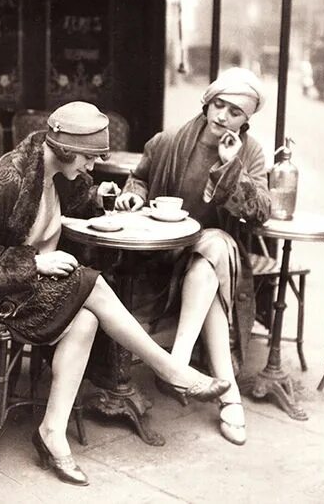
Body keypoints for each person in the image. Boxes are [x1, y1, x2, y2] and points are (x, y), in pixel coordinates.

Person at [0, 101, 230, 486]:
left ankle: (52, 433)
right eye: (88, 159)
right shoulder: (8, 179)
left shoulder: (55, 169)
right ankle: (170, 368)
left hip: (30, 288)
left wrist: (98, 195)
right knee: (91, 282)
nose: (91, 167)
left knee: (88, 317)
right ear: (65, 148)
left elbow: (69, 204)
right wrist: (36, 263)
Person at [115, 67, 271, 446]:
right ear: (207, 102)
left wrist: (232, 167)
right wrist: (133, 194)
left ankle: (178, 362)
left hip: (214, 253)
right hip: (163, 257)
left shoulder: (249, 152)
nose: (223, 116)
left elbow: (262, 212)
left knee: (215, 245)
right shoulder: (167, 141)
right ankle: (229, 396)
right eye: (219, 105)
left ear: (246, 120)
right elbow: (139, 178)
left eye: (235, 112)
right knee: (209, 276)